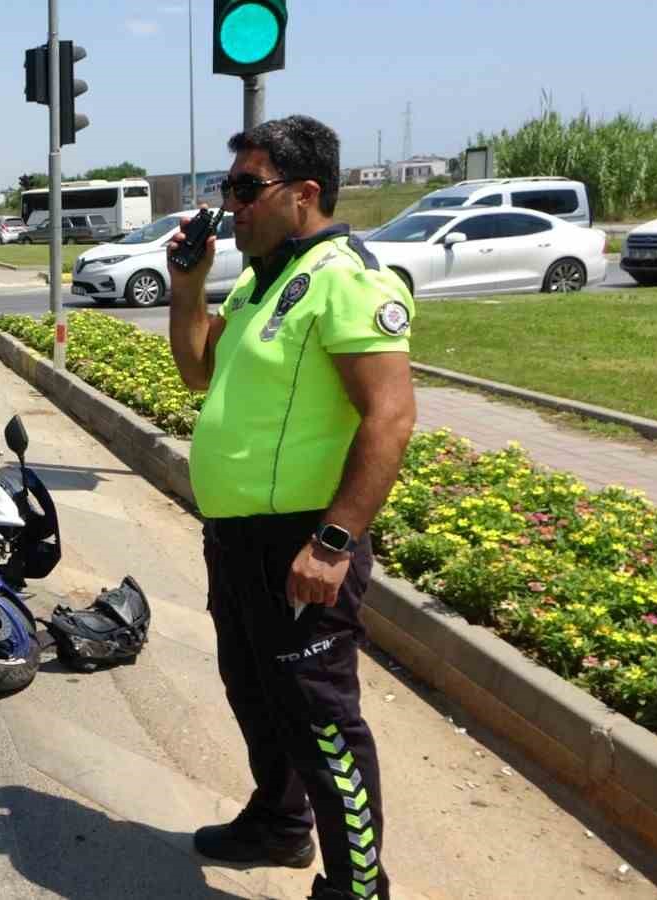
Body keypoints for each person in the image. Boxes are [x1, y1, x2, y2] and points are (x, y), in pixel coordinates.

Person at [167, 116, 416, 900]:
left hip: (301, 543)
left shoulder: (348, 278)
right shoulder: (257, 276)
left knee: (321, 721)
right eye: (228, 188)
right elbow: (195, 372)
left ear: (304, 193)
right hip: (238, 539)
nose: (231, 204)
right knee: (253, 689)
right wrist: (187, 283)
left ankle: (359, 886)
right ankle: (278, 824)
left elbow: (391, 415)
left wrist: (335, 541)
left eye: (247, 188)